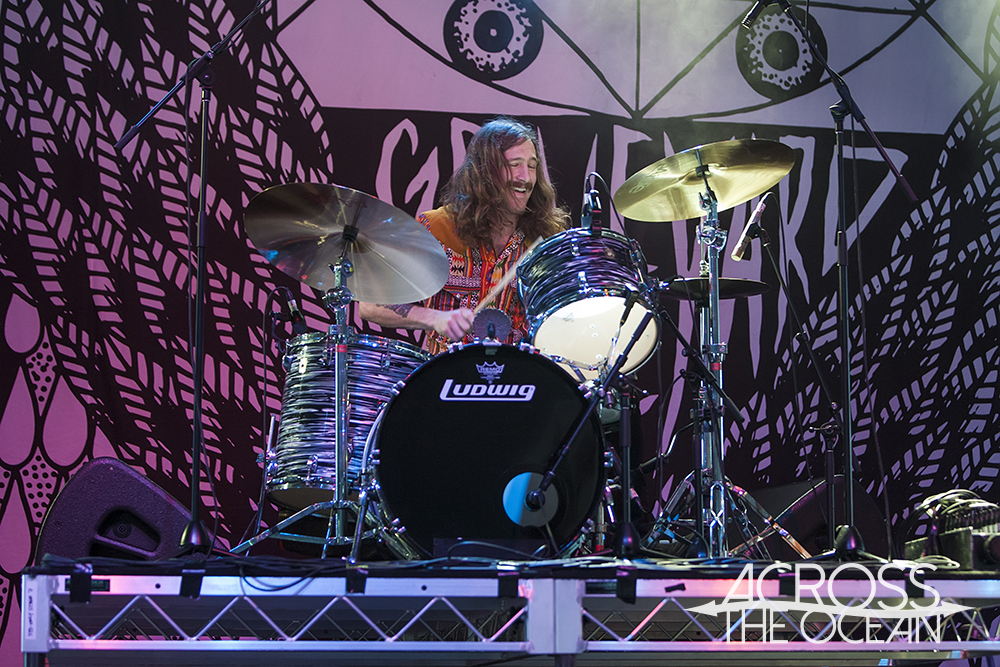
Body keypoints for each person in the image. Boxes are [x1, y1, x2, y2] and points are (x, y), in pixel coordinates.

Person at [359, 117, 569, 354]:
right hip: (446, 371)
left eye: (532, 166)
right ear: (484, 172)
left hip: (516, 373)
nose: (526, 178)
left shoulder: (547, 238)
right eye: (514, 164)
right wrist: (433, 318)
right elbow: (369, 305)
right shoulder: (436, 229)